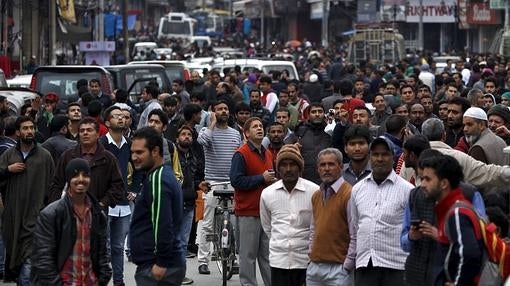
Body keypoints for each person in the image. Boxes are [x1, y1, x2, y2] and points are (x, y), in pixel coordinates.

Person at [31, 158, 111, 285]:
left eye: (85, 175)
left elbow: (103, 254)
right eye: (75, 175)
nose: (80, 179)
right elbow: (43, 258)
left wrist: (102, 279)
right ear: (68, 179)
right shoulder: (51, 214)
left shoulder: (97, 214)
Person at [350, 136, 413, 286]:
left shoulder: (407, 191)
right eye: (375, 155)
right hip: (365, 265)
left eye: (384, 154)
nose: (380, 159)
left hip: (396, 267)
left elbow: (411, 231)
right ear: (370, 158)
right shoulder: (358, 189)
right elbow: (356, 224)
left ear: (393, 158)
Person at [0, 116, 55, 285]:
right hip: (13, 218)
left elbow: (53, 185)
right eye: (25, 128)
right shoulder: (9, 156)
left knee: (29, 259)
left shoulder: (44, 156)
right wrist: (8, 170)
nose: (29, 131)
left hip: (35, 217)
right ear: (18, 132)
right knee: (17, 259)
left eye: (32, 127)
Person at [129, 127, 185, 285]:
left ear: (155, 151)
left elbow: (163, 223)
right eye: (132, 152)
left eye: (139, 152)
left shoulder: (158, 179)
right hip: (161, 263)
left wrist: (161, 263)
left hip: (158, 266)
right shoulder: (160, 176)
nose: (134, 157)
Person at [418, 153, 484, 285]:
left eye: (427, 179)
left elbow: (469, 253)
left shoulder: (457, 213)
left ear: (443, 183)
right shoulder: (451, 209)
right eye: (422, 179)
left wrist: (459, 283)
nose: (422, 184)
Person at [260, 143, 318, 286]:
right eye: (284, 165)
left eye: (292, 164)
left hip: (305, 261)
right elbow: (268, 226)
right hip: (278, 261)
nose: (288, 169)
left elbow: (317, 226)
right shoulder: (268, 194)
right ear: (278, 168)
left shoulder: (314, 192)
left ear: (300, 167)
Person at [197, 100, 242, 274]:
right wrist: (212, 123)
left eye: (226, 108)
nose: (223, 111)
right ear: (213, 112)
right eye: (219, 109)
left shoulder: (235, 133)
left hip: (231, 183)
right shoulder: (206, 131)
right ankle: (203, 260)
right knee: (207, 224)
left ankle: (234, 258)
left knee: (234, 223)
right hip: (212, 183)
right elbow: (202, 141)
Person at [230, 117, 273, 286]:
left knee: (267, 255)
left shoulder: (267, 153)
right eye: (254, 127)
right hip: (248, 211)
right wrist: (261, 178)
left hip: (266, 211)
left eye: (261, 126)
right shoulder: (241, 154)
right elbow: (236, 181)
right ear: (246, 133)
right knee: (247, 255)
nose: (259, 128)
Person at [48, 117, 124, 207]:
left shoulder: (108, 158)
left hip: (97, 213)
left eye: (89, 130)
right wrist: (58, 206)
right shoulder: (68, 156)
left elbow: (117, 186)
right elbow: (56, 184)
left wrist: (102, 203)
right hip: (70, 211)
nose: (85, 133)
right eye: (82, 131)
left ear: (97, 134)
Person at [306, 148, 355, 285]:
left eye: (331, 164)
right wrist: (310, 255)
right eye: (323, 165)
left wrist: (347, 265)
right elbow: (313, 229)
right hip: (315, 267)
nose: (326, 169)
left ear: (340, 167)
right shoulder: (316, 195)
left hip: (339, 269)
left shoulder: (349, 193)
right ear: (317, 169)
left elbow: (355, 233)